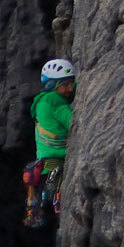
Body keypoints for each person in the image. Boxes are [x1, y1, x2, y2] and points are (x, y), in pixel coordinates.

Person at [25, 58, 77, 227]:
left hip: (46, 169)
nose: (70, 88)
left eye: (72, 83)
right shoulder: (54, 100)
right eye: (66, 84)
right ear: (54, 86)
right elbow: (73, 121)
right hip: (56, 167)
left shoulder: (44, 100)